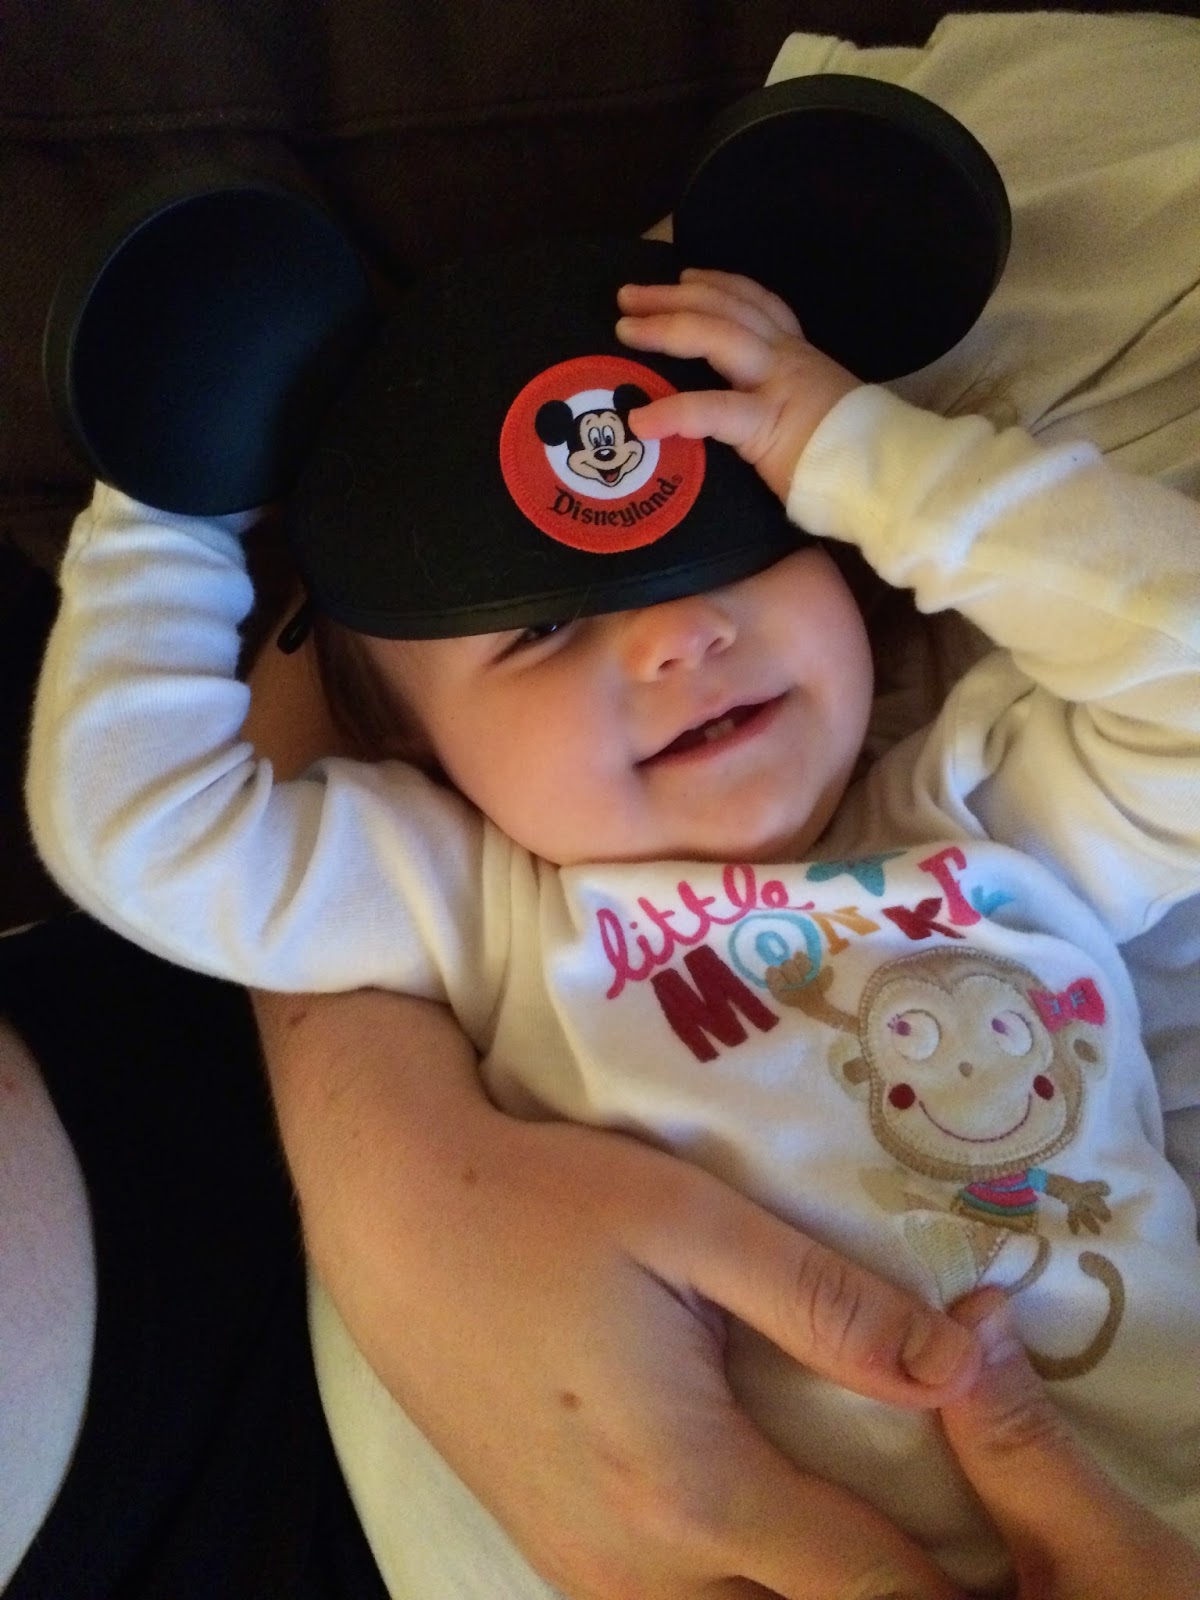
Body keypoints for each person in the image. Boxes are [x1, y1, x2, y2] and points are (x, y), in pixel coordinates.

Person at [25, 229, 1200, 1597]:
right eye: (538, 628)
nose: (676, 635)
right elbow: (141, 826)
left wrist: (858, 452)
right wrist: (171, 505)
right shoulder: (478, 908)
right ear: (412, 752)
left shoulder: (988, 815)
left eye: (735, 548)